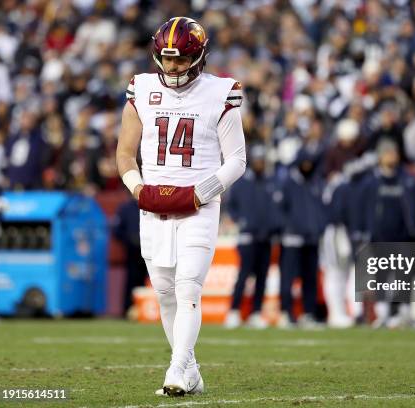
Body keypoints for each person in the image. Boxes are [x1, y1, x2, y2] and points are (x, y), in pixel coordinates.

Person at [116, 17, 246, 397]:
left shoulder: (220, 92)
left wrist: (201, 192)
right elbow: (125, 151)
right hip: (153, 204)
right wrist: (137, 187)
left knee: (189, 286)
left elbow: (236, 159)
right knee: (164, 292)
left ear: (198, 57)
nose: (172, 68)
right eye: (166, 60)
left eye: (179, 60)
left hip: (199, 205)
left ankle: (175, 368)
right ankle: (191, 371)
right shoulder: (141, 87)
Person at [361, 139, 415, 328]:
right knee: (382, 275)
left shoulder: (407, 180)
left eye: (394, 153)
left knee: (404, 275)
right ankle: (382, 314)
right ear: (380, 157)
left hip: (403, 234)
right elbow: (364, 209)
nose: (392, 157)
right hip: (380, 235)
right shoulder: (371, 182)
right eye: (388, 153)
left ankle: (403, 312)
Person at [224, 145, 280, 329]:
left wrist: (273, 227)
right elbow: (231, 207)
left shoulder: (270, 182)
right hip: (248, 236)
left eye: (262, 160)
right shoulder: (242, 182)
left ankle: (256, 312)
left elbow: (274, 208)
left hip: (266, 237)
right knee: (244, 275)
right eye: (257, 160)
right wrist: (241, 221)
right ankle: (234, 311)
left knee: (262, 277)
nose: (259, 163)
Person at [276, 149, 327, 328]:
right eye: (304, 163)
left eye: (310, 164)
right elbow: (280, 209)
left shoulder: (315, 182)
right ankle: (286, 312)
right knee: (288, 278)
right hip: (292, 239)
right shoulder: (288, 182)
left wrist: (319, 227)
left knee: (310, 278)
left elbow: (321, 208)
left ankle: (308, 313)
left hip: (311, 238)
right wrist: (289, 227)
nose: (307, 167)